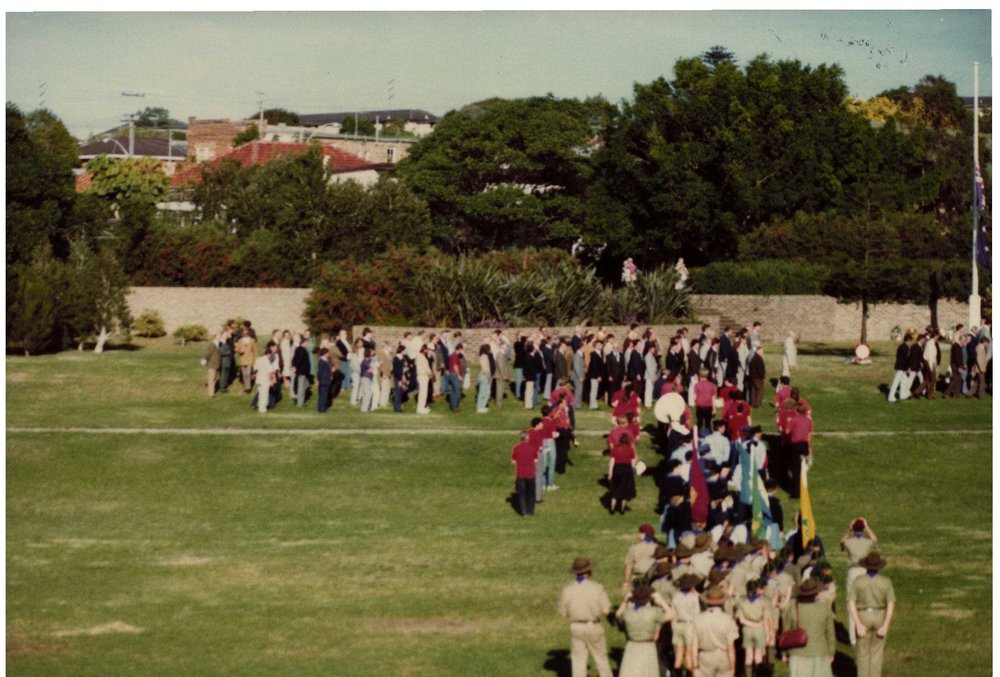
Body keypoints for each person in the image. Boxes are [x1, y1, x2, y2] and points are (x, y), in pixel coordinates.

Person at [558, 557, 614, 677]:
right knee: (601, 659)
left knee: (578, 661)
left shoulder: (567, 590)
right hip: (593, 626)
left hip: (576, 627)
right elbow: (606, 610)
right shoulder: (597, 588)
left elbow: (563, 614)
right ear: (588, 572)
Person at [848, 552, 896, 677]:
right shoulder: (886, 582)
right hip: (880, 615)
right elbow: (890, 604)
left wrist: (857, 624)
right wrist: (885, 625)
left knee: (862, 654)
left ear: (866, 566)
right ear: (879, 566)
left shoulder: (858, 581)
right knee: (877, 653)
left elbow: (851, 602)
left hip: (863, 616)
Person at [615, 583, 673, 677]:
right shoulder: (653, 612)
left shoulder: (628, 614)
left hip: (631, 646)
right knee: (649, 672)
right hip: (648, 646)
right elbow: (670, 614)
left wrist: (625, 601)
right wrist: (661, 601)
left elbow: (618, 615)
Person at [784, 578, 835, 677]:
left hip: (797, 652)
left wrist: (784, 652)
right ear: (816, 594)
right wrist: (831, 651)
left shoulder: (793, 609)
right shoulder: (824, 609)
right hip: (819, 652)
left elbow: (786, 632)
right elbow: (830, 633)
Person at [840, 517, 878, 646]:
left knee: (851, 603)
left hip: (852, 572)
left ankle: (852, 638)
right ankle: (865, 632)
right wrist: (867, 526)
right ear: (862, 530)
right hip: (864, 571)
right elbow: (874, 539)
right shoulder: (867, 542)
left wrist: (849, 529)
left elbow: (842, 541)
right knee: (865, 602)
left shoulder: (849, 542)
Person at [691, 586, 739, 677]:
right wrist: (732, 669)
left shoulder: (698, 619)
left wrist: (695, 667)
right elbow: (731, 648)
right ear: (722, 602)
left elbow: (694, 646)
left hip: (705, 656)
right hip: (723, 656)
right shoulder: (728, 619)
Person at [623, 524, 659, 592]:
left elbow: (629, 565)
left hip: (638, 578)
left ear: (643, 534)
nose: (638, 535)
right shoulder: (657, 547)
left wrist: (626, 581)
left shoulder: (634, 548)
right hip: (653, 578)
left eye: (639, 533)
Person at [608, 434, 638, 515]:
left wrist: (610, 473)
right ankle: (622, 510)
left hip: (617, 469)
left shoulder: (615, 449)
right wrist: (634, 470)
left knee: (615, 489)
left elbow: (612, 462)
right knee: (625, 491)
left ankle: (612, 510)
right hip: (627, 470)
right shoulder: (630, 449)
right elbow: (632, 462)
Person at [511, 430, 538, 516]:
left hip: (520, 474)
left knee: (522, 493)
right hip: (530, 473)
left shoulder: (516, 448)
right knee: (531, 492)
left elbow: (513, 461)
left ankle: (523, 511)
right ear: (527, 438)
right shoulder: (533, 448)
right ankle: (530, 510)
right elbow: (536, 460)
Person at [252, 340, 280, 414]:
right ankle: (263, 409)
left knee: (261, 393)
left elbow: (255, 369)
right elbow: (269, 372)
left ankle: (260, 408)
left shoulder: (259, 359)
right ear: (269, 354)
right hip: (265, 380)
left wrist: (255, 375)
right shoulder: (267, 361)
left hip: (259, 379)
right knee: (264, 395)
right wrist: (271, 381)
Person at [291, 333, 311, 407]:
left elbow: (294, 359)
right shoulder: (302, 350)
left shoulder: (298, 349)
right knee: (301, 387)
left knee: (305, 385)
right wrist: (295, 366)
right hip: (302, 371)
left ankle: (300, 400)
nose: (307, 344)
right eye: (307, 343)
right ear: (304, 343)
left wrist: (294, 366)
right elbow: (299, 360)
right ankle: (300, 403)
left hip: (302, 371)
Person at [236, 326, 257, 393]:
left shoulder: (252, 341)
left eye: (246, 333)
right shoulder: (240, 341)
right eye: (243, 333)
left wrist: (255, 359)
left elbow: (255, 351)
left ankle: (248, 388)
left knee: (248, 373)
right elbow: (237, 350)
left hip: (249, 359)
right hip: (242, 359)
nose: (245, 334)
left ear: (248, 333)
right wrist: (239, 351)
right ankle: (246, 386)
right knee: (244, 374)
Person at [415, 343, 433, 414]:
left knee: (424, 392)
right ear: (424, 349)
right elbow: (426, 368)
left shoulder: (421, 356)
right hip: (423, 376)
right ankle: (420, 408)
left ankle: (421, 407)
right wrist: (430, 373)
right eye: (427, 350)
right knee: (423, 393)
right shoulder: (421, 356)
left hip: (424, 376)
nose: (427, 351)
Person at [476, 344, 494, 414]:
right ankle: (479, 407)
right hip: (484, 376)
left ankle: (483, 406)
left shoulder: (486, 356)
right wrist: (487, 375)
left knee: (487, 392)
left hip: (487, 375)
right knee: (482, 392)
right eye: (489, 349)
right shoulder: (483, 357)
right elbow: (484, 368)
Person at [748, 345, 766, 409]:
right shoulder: (759, 359)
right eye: (762, 351)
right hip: (758, 378)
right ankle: (757, 404)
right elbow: (760, 369)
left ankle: (752, 403)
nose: (763, 352)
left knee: (753, 390)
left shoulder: (753, 358)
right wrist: (762, 377)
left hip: (752, 377)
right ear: (759, 351)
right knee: (760, 390)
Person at [316, 347, 332, 413]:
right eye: (328, 352)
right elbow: (320, 371)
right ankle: (321, 409)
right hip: (323, 380)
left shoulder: (325, 360)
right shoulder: (322, 361)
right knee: (323, 395)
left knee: (324, 395)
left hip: (326, 380)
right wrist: (318, 379)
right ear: (325, 353)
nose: (329, 354)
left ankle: (322, 408)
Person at [218, 328, 234, 393]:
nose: (226, 336)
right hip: (223, 359)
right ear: (222, 335)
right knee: (223, 374)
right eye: (225, 335)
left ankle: (225, 386)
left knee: (226, 373)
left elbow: (231, 348)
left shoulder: (227, 341)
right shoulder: (220, 342)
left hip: (228, 359)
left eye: (226, 335)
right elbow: (221, 351)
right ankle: (222, 387)